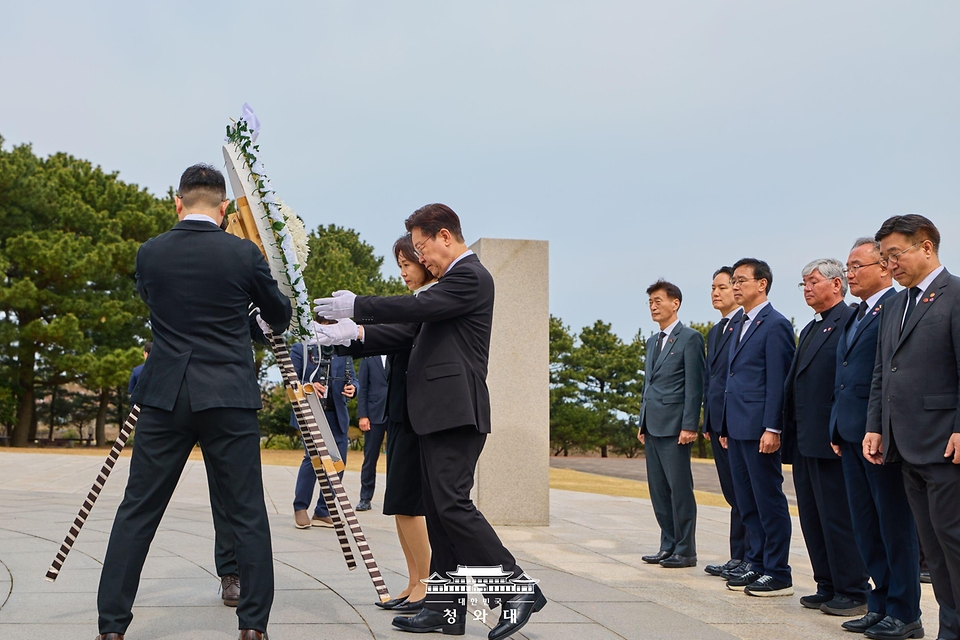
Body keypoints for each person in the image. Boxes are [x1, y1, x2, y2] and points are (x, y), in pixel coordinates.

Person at [315, 204, 546, 639]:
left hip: (455, 412)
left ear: (445, 236)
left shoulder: (470, 276)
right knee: (439, 512)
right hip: (436, 414)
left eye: (422, 249)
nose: (422, 260)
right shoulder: (447, 287)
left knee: (453, 505)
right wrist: (354, 334)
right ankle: (445, 607)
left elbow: (418, 308)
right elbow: (408, 333)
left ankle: (515, 587)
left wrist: (359, 306)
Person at [95, 164, 291, 640]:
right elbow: (279, 316)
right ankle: (253, 626)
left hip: (165, 393)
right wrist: (241, 314)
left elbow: (156, 305)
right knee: (246, 509)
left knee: (137, 508)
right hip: (227, 390)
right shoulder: (243, 254)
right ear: (224, 209)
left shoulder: (150, 253)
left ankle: (112, 626)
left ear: (177, 203)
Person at [866, 214, 960, 640]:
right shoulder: (895, 305)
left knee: (953, 542)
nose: (890, 265)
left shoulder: (955, 295)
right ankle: (949, 626)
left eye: (895, 254)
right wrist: (876, 426)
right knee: (934, 551)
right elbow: (883, 372)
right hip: (904, 444)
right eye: (884, 258)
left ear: (926, 246)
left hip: (945, 442)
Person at [830, 237, 920, 636]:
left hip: (880, 435)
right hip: (850, 433)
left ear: (883, 267)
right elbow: (846, 375)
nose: (849, 274)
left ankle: (905, 612)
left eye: (857, 266)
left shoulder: (894, 308)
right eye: (847, 268)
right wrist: (837, 425)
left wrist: (878, 427)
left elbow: (888, 375)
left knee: (893, 524)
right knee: (865, 524)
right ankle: (879, 602)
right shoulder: (855, 314)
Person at [782, 258, 869, 615]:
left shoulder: (849, 320)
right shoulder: (812, 326)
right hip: (805, 439)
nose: (807, 289)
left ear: (836, 284)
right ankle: (827, 583)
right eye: (803, 284)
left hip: (831, 438)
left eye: (813, 282)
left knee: (838, 516)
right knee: (813, 516)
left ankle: (852, 588)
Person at [720, 258, 795, 597]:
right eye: (732, 281)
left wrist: (773, 427)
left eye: (741, 280)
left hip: (759, 429)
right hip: (736, 427)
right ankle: (755, 561)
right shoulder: (740, 324)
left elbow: (778, 380)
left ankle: (777, 570)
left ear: (762, 284)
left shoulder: (774, 323)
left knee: (768, 500)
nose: (735, 286)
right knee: (746, 501)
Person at [370, 233, 437, 613]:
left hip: (417, 417)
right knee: (398, 503)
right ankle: (413, 581)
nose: (403, 273)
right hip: (397, 414)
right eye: (399, 266)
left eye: (407, 265)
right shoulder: (414, 304)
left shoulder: (432, 305)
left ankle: (427, 583)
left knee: (410, 504)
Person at [637, 280, 705, 569]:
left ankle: (686, 549)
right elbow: (647, 384)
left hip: (676, 427)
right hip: (652, 426)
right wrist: (641, 421)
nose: (653, 306)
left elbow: (694, 386)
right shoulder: (653, 341)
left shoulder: (690, 338)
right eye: (650, 302)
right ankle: (667, 544)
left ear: (675, 303)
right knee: (659, 490)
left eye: (658, 300)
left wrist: (690, 425)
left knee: (679, 490)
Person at [702, 267, 747, 580]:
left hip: (739, 422)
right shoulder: (716, 331)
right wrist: (708, 419)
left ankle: (750, 558)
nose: (716, 293)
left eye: (722, 286)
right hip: (718, 422)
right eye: (713, 288)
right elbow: (712, 379)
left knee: (746, 494)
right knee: (732, 494)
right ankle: (738, 556)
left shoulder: (746, 326)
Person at [289, 338, 356, 528]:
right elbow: (291, 379)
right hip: (311, 412)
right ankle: (300, 508)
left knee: (339, 462)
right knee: (313, 459)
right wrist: (307, 385)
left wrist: (353, 388)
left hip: (337, 415)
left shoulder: (343, 348)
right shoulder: (300, 348)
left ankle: (323, 511)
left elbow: (353, 378)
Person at [356, 354, 389, 512]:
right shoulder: (368, 358)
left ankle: (394, 497)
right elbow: (362, 388)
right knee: (370, 458)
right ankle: (365, 498)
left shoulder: (398, 354)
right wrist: (363, 415)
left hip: (395, 413)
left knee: (396, 459)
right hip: (373, 414)